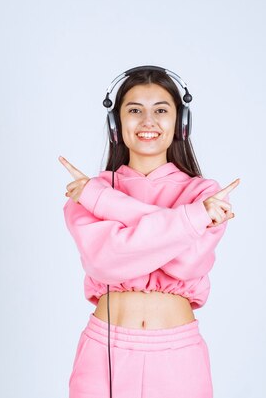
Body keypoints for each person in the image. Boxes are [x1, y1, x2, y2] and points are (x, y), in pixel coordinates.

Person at [60, 66, 239, 398]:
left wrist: (104, 203)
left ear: (180, 123)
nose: (148, 121)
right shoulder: (87, 192)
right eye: (134, 110)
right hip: (105, 354)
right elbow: (107, 261)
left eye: (160, 110)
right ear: (116, 124)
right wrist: (191, 219)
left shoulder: (204, 194)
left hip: (178, 357)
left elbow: (186, 263)